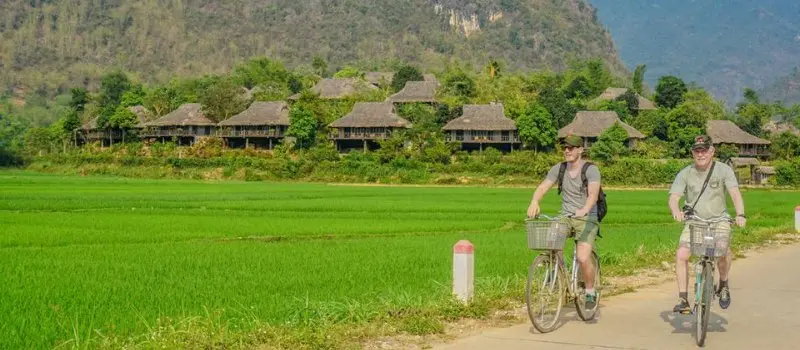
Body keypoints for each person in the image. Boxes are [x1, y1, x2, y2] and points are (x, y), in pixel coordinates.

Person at [668, 135, 746, 313]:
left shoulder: (724, 170)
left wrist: (740, 214)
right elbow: (674, 197)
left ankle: (723, 283)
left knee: (722, 250)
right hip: (695, 220)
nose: (701, 154)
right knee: (682, 254)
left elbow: (734, 193)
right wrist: (676, 210)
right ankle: (683, 298)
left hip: (719, 220)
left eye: (704, 150)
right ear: (692, 153)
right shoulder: (685, 173)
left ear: (712, 152)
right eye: (697, 151)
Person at [527, 134, 602, 309]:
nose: (567, 151)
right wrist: (535, 201)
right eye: (564, 148)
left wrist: (584, 209)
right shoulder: (558, 169)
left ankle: (590, 291)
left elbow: (593, 194)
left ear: (580, 150)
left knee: (583, 257)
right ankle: (557, 273)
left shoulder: (591, 169)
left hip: (587, 217)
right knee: (551, 242)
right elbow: (543, 187)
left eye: (571, 148)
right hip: (566, 216)